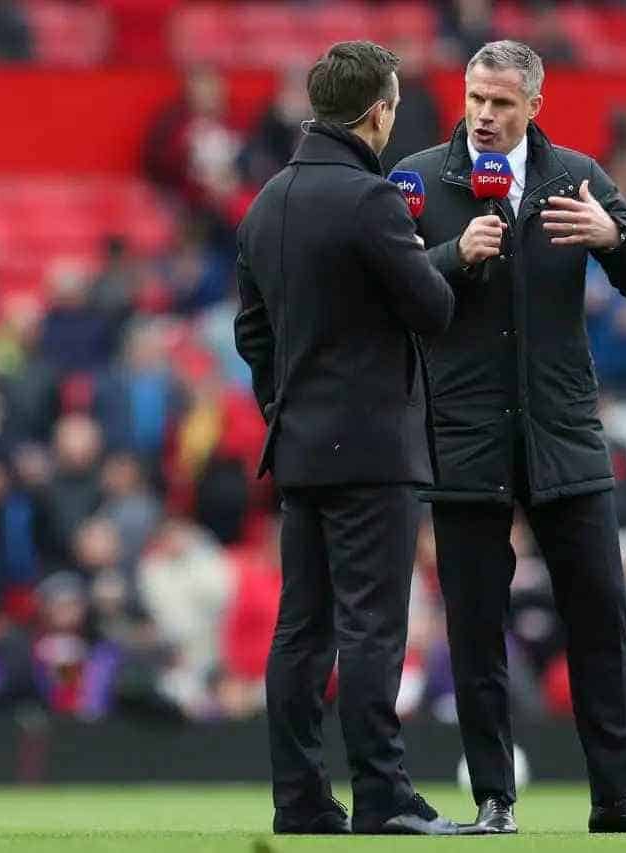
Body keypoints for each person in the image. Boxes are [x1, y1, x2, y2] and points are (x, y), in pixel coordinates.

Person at [394, 40, 626, 835]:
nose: (484, 116)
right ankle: (494, 798)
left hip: (562, 432)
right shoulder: (419, 180)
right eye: (475, 98)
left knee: (599, 615)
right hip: (465, 434)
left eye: (501, 102)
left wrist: (611, 236)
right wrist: (450, 256)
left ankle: (619, 797)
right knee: (474, 625)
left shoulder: (577, 178)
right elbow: (385, 292)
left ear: (534, 104)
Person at [234, 41, 456, 836]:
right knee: (372, 625)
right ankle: (383, 794)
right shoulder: (371, 201)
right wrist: (450, 256)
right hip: (373, 450)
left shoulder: (268, 201)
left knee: (302, 628)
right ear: (378, 112)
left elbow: (251, 333)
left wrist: (284, 408)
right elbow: (431, 308)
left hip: (300, 447)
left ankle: (299, 798)